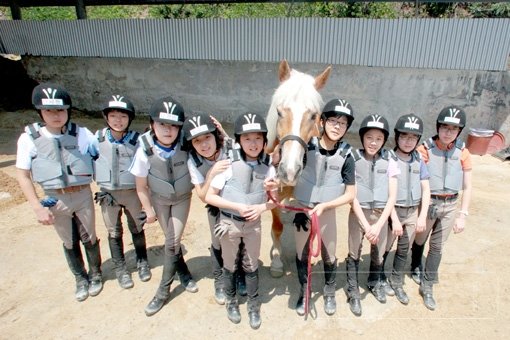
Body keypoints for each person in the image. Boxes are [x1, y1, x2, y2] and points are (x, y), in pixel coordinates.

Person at [16, 83, 102, 302]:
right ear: (40, 112)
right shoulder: (29, 139)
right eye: (49, 111)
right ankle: (80, 278)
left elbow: (102, 150)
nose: (56, 116)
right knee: (68, 240)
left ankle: (95, 274)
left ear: (68, 111)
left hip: (82, 194)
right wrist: (37, 207)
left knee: (89, 236)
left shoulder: (82, 134)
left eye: (60, 110)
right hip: (55, 197)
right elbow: (23, 175)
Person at [205, 113, 277, 330]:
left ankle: (254, 305)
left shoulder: (268, 167)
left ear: (265, 141)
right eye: (247, 139)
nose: (253, 144)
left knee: (252, 263)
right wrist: (236, 206)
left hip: (253, 225)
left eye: (258, 139)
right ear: (238, 141)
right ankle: (231, 301)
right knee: (230, 263)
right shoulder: (228, 164)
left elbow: (276, 201)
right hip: (230, 223)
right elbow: (210, 196)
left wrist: (262, 207)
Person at [129, 96, 198, 316]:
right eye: (162, 124)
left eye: (174, 126)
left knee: (172, 241)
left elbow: (211, 149)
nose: (168, 130)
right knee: (172, 242)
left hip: (181, 199)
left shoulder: (186, 145)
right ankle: (184, 273)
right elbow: (140, 185)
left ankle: (162, 291)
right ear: (152, 125)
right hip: (159, 200)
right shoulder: (144, 149)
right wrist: (148, 209)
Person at [291, 99, 356, 316]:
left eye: (343, 123)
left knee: (329, 254)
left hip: (326, 212)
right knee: (302, 254)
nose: (337, 126)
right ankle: (304, 291)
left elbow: (350, 194)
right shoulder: (306, 146)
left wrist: (326, 205)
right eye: (333, 121)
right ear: (322, 121)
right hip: (303, 210)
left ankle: (329, 292)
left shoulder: (347, 155)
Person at [410, 106, 472, 311]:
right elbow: (418, 180)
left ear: (459, 131)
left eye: (453, 129)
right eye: (444, 127)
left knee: (437, 246)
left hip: (451, 203)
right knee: (420, 238)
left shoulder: (463, 152)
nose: (448, 132)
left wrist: (462, 214)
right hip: (430, 202)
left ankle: (427, 286)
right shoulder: (425, 149)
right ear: (438, 127)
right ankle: (415, 264)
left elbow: (468, 185)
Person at [182, 112, 247, 305]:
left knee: (240, 240)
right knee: (218, 243)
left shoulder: (229, 146)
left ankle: (240, 275)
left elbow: (243, 153)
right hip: (215, 208)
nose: (204, 145)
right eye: (197, 141)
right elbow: (202, 196)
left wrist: (225, 135)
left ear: (215, 136)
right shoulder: (193, 161)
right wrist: (211, 172)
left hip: (236, 204)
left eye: (207, 137)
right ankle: (220, 279)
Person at [92, 95, 151, 290]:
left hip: (132, 192)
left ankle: (142, 262)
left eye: (123, 116)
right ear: (106, 118)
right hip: (108, 194)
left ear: (130, 119)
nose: (118, 120)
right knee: (113, 232)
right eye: (113, 116)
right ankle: (121, 269)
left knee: (137, 227)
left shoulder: (137, 141)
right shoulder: (97, 139)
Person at [346, 113, 399, 316]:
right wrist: (366, 225)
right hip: (359, 213)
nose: (373, 142)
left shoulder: (390, 159)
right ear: (362, 137)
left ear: (384, 140)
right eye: (369, 137)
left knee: (379, 252)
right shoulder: (354, 158)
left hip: (381, 214)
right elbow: (352, 196)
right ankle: (353, 290)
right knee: (354, 252)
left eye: (378, 138)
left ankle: (374, 281)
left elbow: (392, 196)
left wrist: (378, 225)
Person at [381, 113, 430, 305]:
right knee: (385, 247)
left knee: (404, 249)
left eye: (413, 137)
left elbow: (426, 189)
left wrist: (421, 216)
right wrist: (392, 217)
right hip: (393, 210)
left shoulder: (419, 160)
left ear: (418, 139)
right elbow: (384, 191)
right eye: (404, 136)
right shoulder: (388, 158)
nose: (409, 141)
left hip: (411, 211)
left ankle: (397, 281)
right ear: (396, 136)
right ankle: (379, 277)